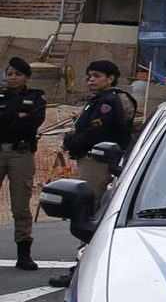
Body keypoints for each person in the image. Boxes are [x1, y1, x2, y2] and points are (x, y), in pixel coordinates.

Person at [51, 59, 134, 288]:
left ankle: (82, 268)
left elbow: (97, 133)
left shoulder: (109, 102)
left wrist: (71, 141)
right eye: (89, 76)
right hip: (91, 159)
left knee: (88, 214)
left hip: (98, 161)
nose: (91, 80)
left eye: (97, 76)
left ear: (111, 78)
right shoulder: (98, 101)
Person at [1, 57, 46, 271]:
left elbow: (31, 124)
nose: (12, 78)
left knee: (20, 206)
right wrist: (15, 114)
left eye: (17, 74)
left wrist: (8, 119)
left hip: (20, 153)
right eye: (9, 73)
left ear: (27, 77)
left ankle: (24, 253)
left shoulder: (35, 98)